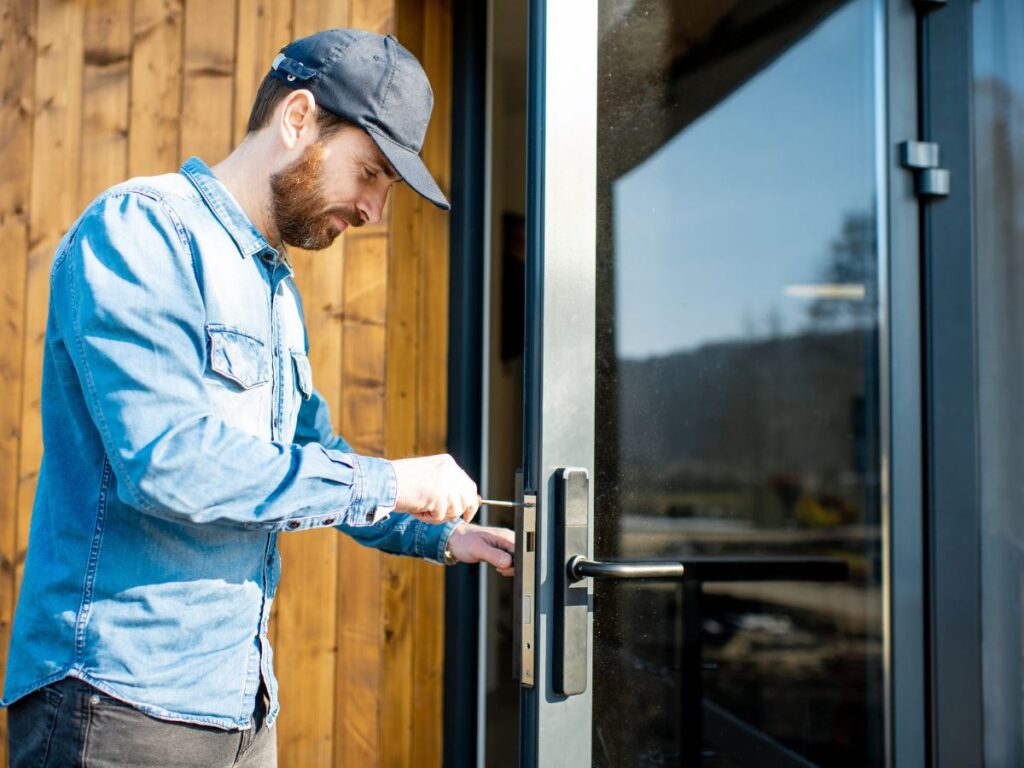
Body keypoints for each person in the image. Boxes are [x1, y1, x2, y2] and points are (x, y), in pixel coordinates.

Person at [3, 28, 514, 767]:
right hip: (116, 707)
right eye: (370, 173)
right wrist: (393, 481)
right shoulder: (143, 229)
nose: (375, 210)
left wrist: (434, 532)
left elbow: (311, 461)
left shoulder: (274, 288)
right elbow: (170, 462)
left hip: (241, 706)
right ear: (298, 119)